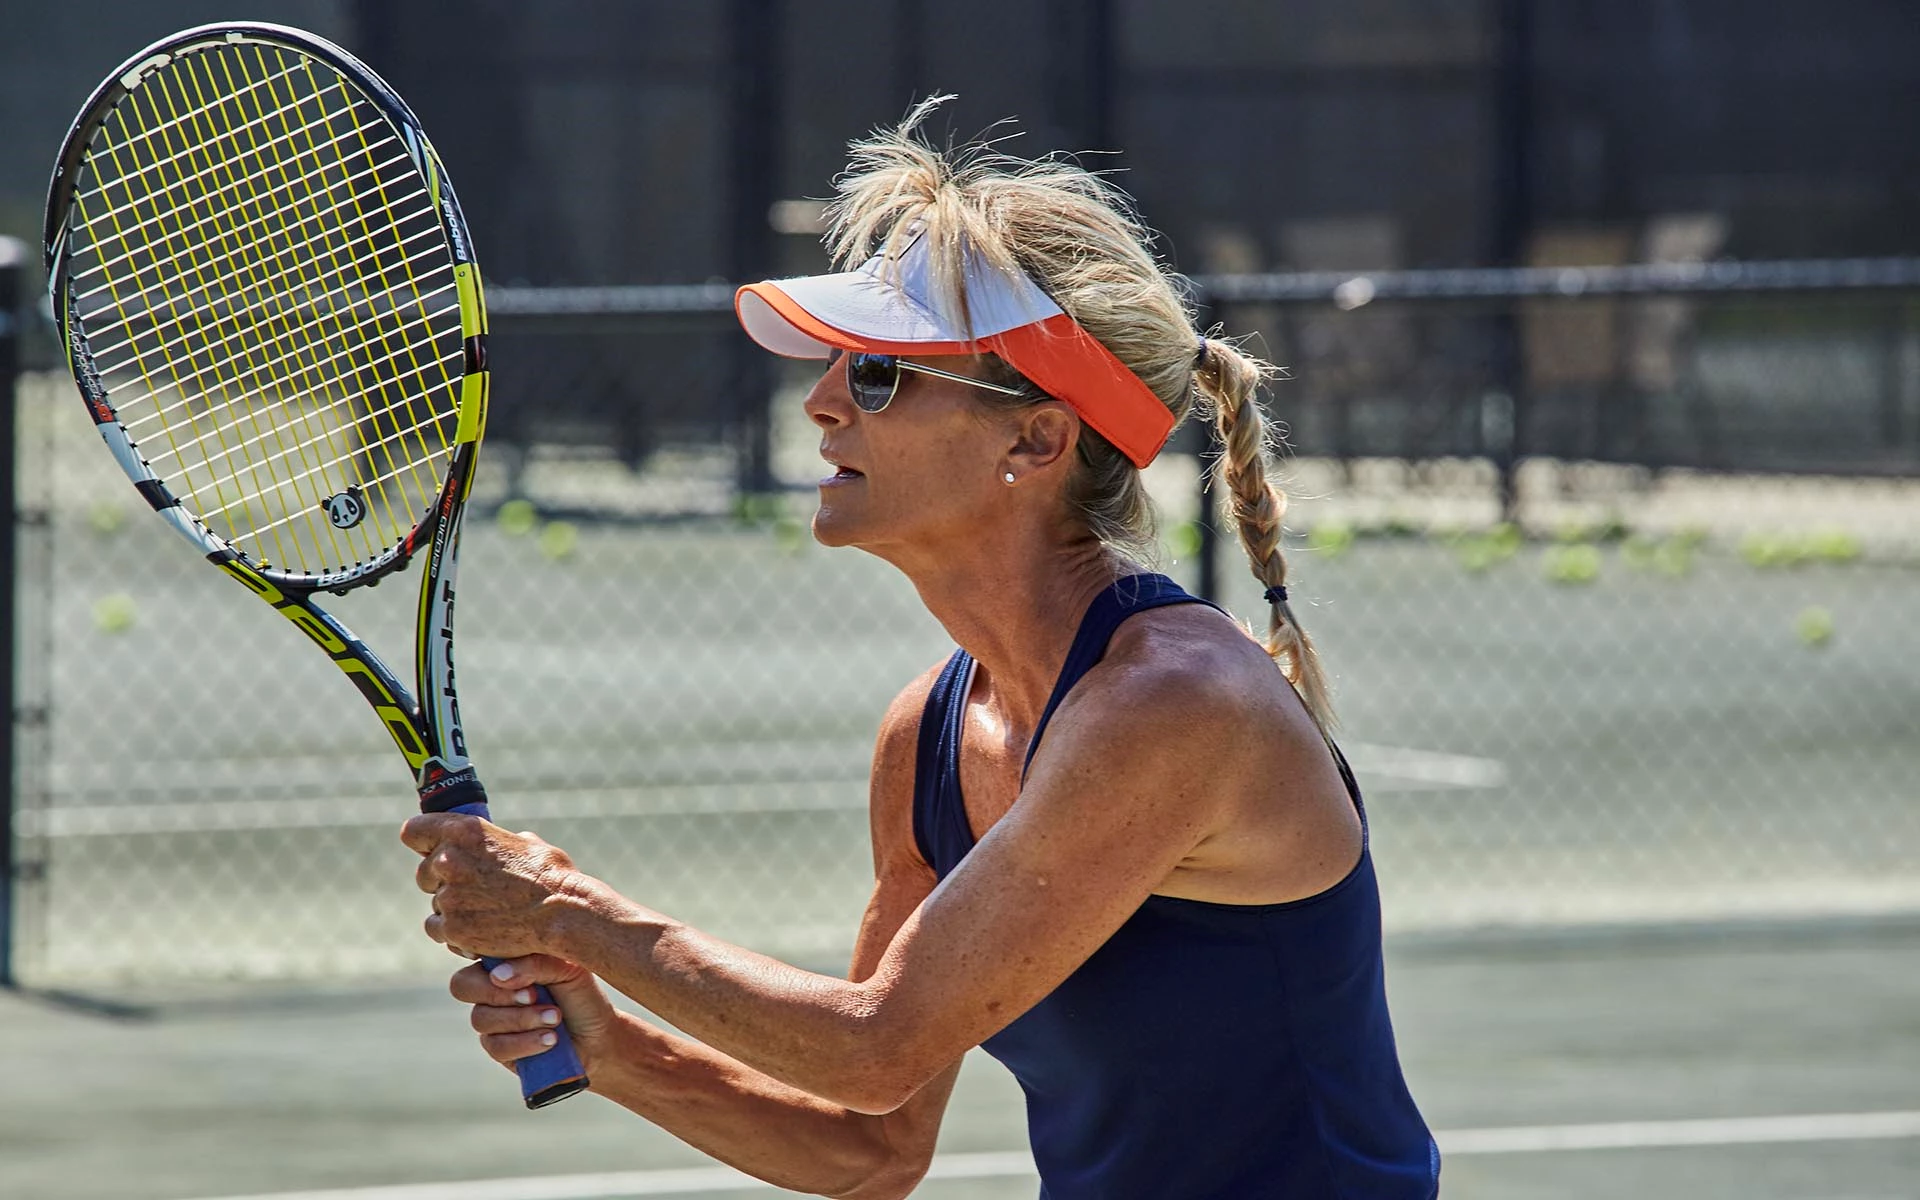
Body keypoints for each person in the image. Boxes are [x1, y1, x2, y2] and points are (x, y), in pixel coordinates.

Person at [403, 99, 1438, 1199]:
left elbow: (873, 1046)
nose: (821, 401)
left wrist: (568, 909)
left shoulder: (1175, 705)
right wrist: (614, 1049)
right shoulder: (929, 739)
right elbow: (870, 1143)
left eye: (881, 372)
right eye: (841, 363)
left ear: (1036, 437)